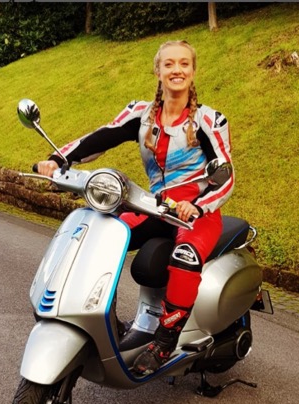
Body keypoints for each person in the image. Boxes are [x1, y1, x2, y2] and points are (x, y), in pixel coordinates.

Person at [37, 40, 234, 374]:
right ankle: (99, 322)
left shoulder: (208, 121)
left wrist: (197, 207)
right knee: (102, 235)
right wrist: (58, 159)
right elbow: (101, 138)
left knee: (184, 257)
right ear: (157, 71)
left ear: (193, 71)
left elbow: (226, 175)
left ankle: (165, 340)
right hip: (156, 209)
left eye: (184, 64)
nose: (177, 70)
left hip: (196, 214)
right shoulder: (141, 115)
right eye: (169, 64)